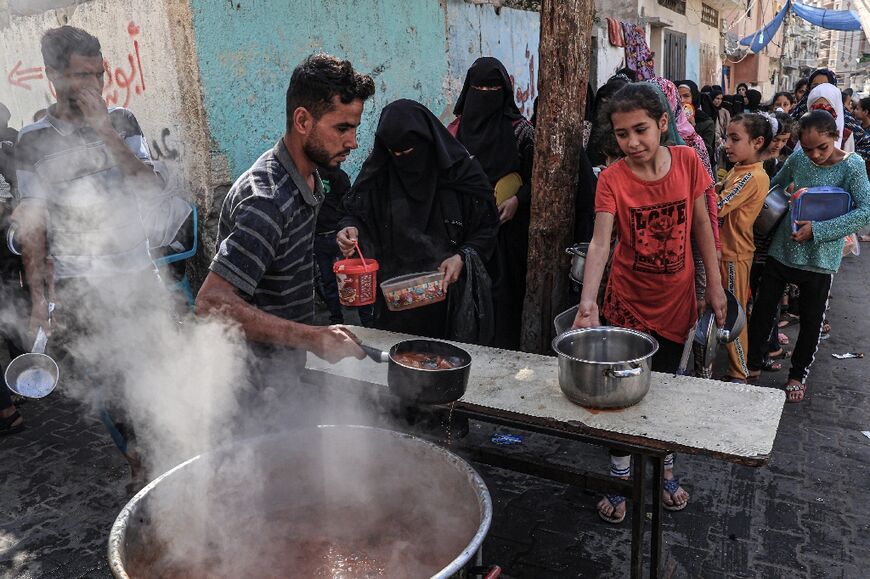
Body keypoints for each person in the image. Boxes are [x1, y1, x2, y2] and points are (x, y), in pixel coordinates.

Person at [12, 26, 171, 485]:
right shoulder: (32, 142)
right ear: (52, 76)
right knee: (114, 386)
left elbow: (148, 187)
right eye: (83, 77)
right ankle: (139, 465)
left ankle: (168, 456)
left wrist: (105, 133)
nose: (95, 87)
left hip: (139, 273)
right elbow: (33, 225)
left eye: (99, 75)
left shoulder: (122, 121)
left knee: (159, 375)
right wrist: (40, 299)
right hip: (84, 286)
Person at [571, 82, 726, 523]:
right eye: (622, 135)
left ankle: (665, 468)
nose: (632, 143)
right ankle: (621, 477)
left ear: (662, 124)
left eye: (640, 130)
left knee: (667, 395)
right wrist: (588, 303)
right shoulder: (613, 180)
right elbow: (601, 245)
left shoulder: (689, 162)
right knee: (619, 394)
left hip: (678, 304)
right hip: (626, 306)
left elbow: (702, 228)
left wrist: (713, 287)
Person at [196, 54, 373, 380]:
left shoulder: (306, 178)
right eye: (342, 128)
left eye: (354, 128)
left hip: (284, 370)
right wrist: (312, 336)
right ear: (303, 121)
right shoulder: (268, 201)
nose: (353, 142)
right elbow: (211, 303)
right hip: (250, 379)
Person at [337, 99, 499, 340]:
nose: (402, 159)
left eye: (409, 152)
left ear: (428, 141)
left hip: (449, 297)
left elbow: (487, 227)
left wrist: (462, 257)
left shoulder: (461, 174)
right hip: (394, 300)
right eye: (395, 153)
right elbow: (356, 213)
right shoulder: (381, 174)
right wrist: (348, 229)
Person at [747, 111, 870, 401]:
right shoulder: (798, 159)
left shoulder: (853, 166)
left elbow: (864, 211)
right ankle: (751, 365)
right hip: (782, 249)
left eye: (822, 147)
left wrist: (818, 230)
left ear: (835, 137)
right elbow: (775, 184)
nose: (814, 155)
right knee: (763, 311)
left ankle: (797, 374)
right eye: (807, 148)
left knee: (812, 320)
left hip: (821, 258)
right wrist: (786, 199)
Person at [448, 57, 534, 349]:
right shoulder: (454, 133)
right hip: (466, 233)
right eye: (479, 87)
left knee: (506, 298)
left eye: (492, 88)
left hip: (509, 232)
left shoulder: (520, 131)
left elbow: (540, 179)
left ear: (504, 91)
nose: (485, 93)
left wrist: (517, 200)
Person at [717, 113, 772, 382]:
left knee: (732, 313)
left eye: (735, 139)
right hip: (725, 251)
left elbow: (717, 206)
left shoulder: (753, 177)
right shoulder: (739, 170)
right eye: (727, 137)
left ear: (757, 142)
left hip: (734, 254)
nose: (727, 144)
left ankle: (739, 373)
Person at [314, 163, 352, 325]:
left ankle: (367, 320)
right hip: (319, 238)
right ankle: (337, 319)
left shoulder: (339, 176)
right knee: (328, 281)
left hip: (338, 236)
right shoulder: (308, 176)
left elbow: (348, 205)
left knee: (351, 277)